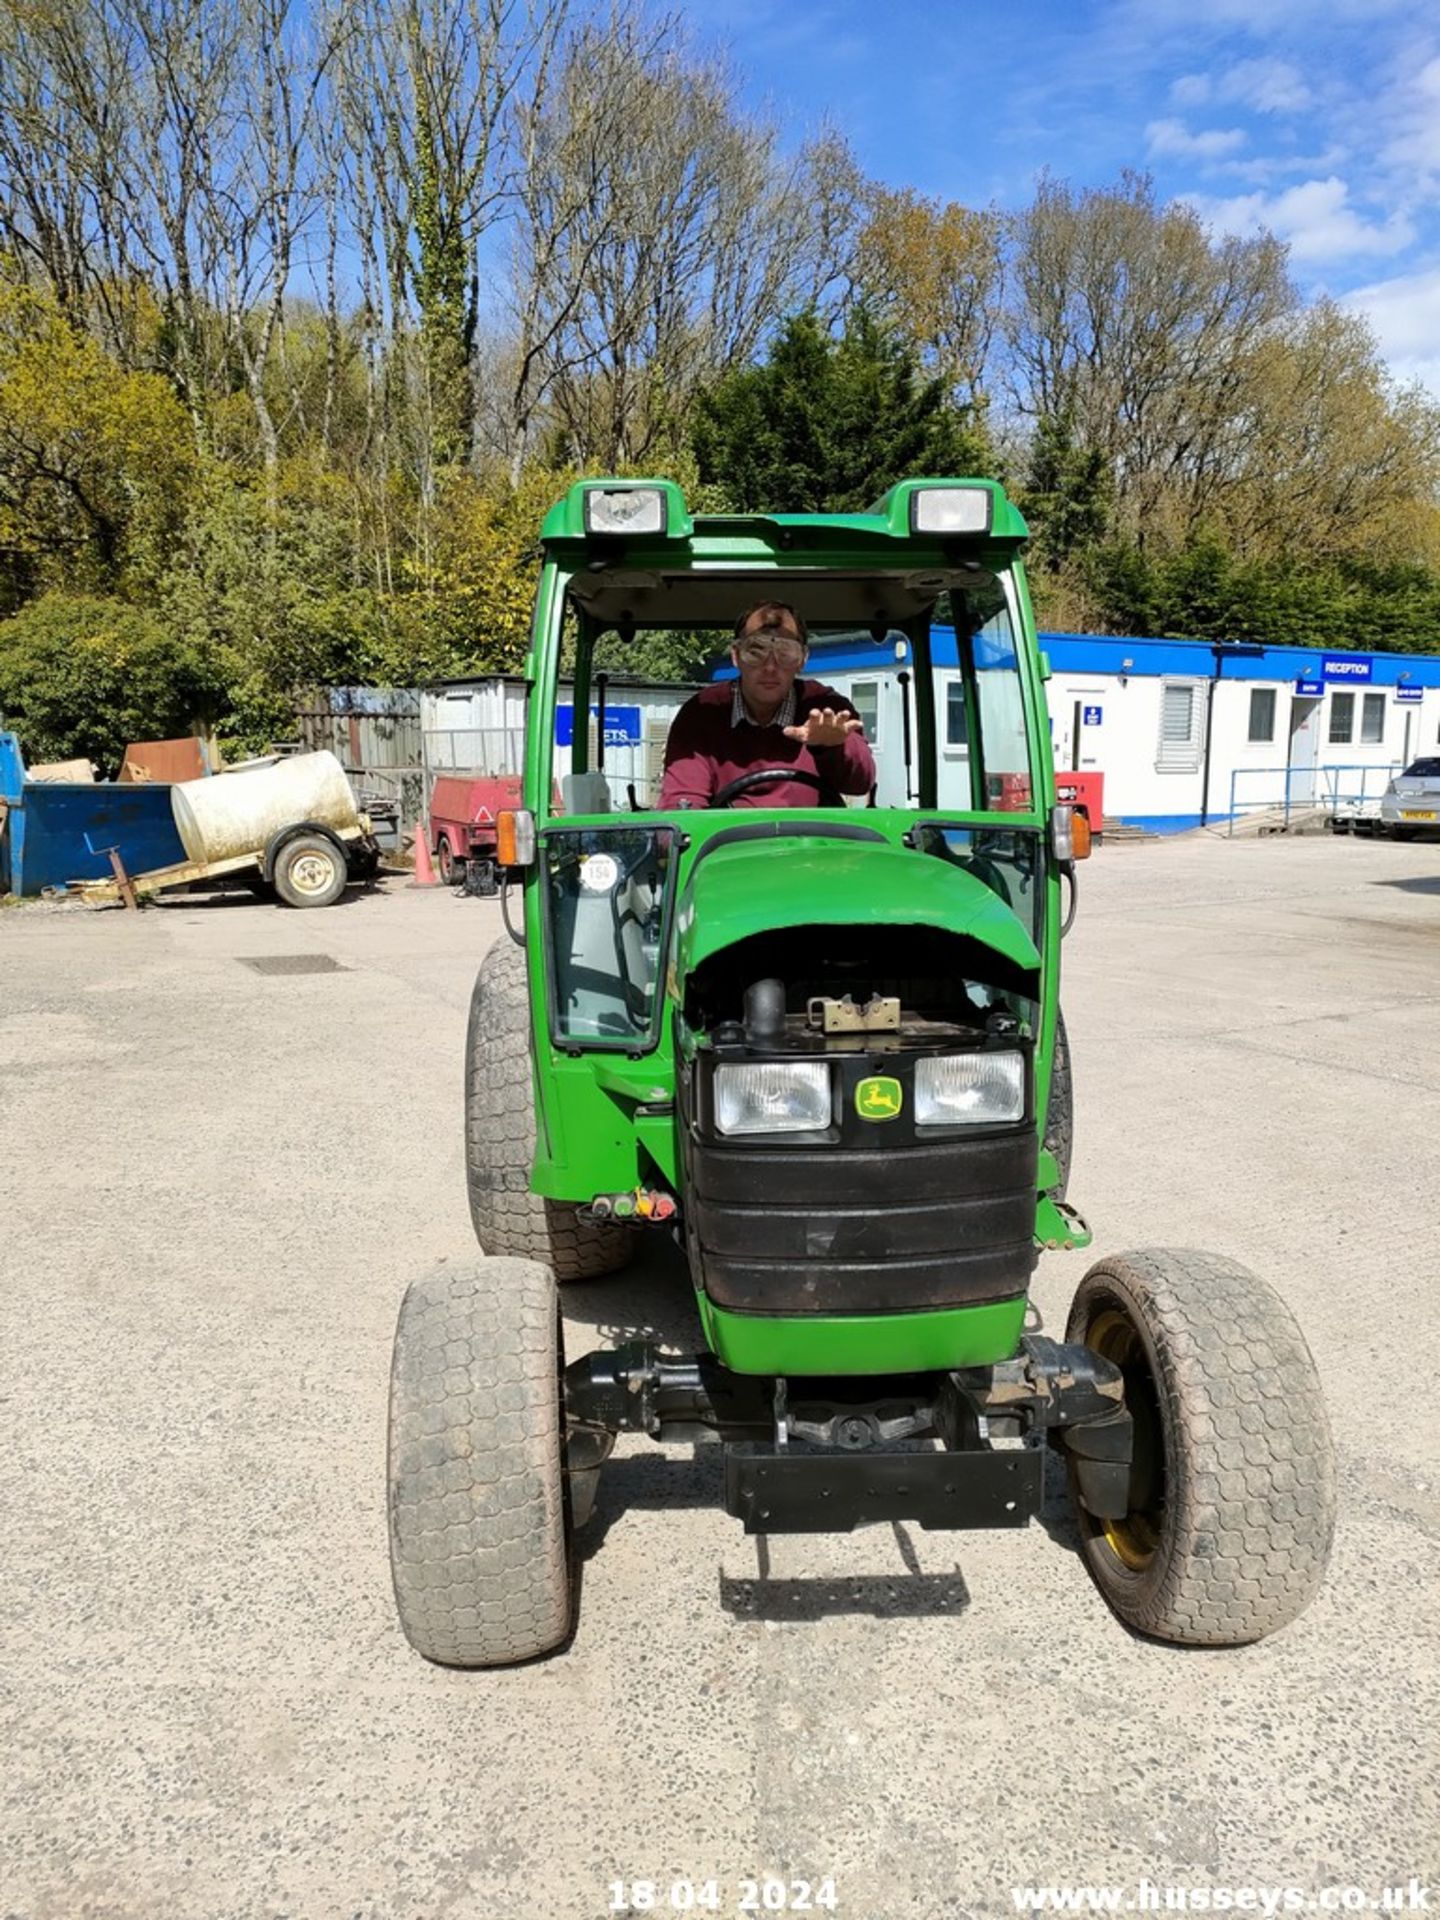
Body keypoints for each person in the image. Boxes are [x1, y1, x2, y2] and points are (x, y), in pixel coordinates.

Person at [658, 600, 876, 809]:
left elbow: (861, 783)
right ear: (736, 656)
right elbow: (682, 806)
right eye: (755, 651)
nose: (770, 667)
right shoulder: (703, 712)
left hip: (813, 842)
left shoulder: (825, 709)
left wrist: (833, 746)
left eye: (786, 653)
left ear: (802, 659)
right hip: (729, 844)